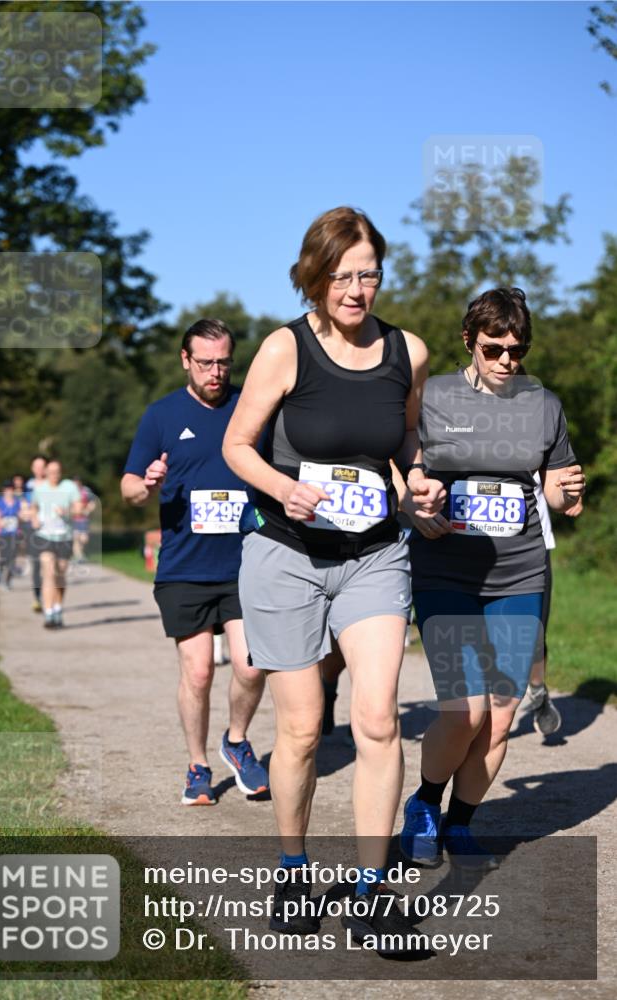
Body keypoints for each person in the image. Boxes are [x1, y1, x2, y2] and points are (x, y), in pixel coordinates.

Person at [223, 206, 444, 954]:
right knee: (302, 728)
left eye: (368, 274)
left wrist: (415, 479)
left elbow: (407, 433)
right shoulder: (284, 349)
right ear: (313, 278)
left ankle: (373, 892)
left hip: (373, 554)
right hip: (286, 555)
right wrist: (280, 489)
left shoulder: (404, 350)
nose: (356, 290)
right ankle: (292, 868)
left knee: (378, 718)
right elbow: (237, 445)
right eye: (341, 276)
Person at [399, 287, 585, 871]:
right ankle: (424, 804)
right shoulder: (432, 399)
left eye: (517, 349)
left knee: (502, 712)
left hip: (519, 571)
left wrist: (567, 493)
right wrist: (413, 508)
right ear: (469, 342)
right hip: (445, 571)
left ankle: (461, 824)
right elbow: (403, 471)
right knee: (465, 710)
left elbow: (555, 483)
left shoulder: (543, 404)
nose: (507, 360)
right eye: (494, 348)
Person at [121, 318, 269, 807]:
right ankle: (197, 765)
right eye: (205, 362)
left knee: (250, 666)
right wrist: (148, 482)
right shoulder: (161, 415)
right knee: (200, 671)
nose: (216, 372)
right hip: (184, 568)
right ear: (186, 360)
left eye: (224, 362)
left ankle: (237, 740)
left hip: (244, 564)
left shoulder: (252, 408)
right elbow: (128, 489)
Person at [524, 477, 583, 736]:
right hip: (477, 549)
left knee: (534, 635)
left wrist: (570, 494)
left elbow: (562, 475)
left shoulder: (540, 435)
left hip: (535, 546)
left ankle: (537, 691)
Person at [30, 459, 82, 629]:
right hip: (44, 536)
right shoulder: (40, 488)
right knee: (49, 573)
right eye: (51, 472)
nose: (54, 475)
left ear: (61, 472)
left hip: (64, 537)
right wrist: (34, 518)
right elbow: (33, 507)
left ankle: (58, 608)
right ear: (45, 472)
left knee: (60, 575)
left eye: (57, 472)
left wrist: (67, 511)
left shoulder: (69, 487)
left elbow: (79, 508)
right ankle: (49, 613)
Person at [23, 455, 48, 611]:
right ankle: (38, 597)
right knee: (36, 564)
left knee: (50, 564)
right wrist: (32, 516)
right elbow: (24, 506)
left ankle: (50, 599)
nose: (39, 469)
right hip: (32, 529)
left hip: (51, 528)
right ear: (32, 469)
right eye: (36, 466)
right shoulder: (28, 486)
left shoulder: (53, 484)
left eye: (42, 466)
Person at [0, 479, 22, 587]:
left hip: (14, 533)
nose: (9, 491)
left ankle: (8, 580)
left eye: (11, 489)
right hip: (2, 533)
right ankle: (0, 571)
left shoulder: (17, 502)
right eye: (7, 489)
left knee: (12, 557)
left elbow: (22, 514)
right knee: (4, 557)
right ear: (4, 490)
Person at [71, 477, 97, 563]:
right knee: (75, 538)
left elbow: (93, 502)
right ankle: (78, 556)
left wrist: (88, 510)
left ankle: (80, 554)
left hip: (84, 519)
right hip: (73, 518)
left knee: (84, 539)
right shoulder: (69, 492)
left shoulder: (86, 491)